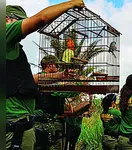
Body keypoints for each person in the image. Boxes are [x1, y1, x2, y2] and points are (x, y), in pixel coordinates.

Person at [6, 1, 85, 149]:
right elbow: (41, 18)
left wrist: (62, 75)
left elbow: (30, 80)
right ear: (7, 19)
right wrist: (72, 3)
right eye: (20, 21)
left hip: (20, 124)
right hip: (14, 125)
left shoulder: (13, 50)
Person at [34, 55, 78, 150]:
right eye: (57, 66)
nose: (58, 68)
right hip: (51, 124)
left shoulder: (36, 80)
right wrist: (80, 84)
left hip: (36, 124)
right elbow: (69, 93)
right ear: (49, 65)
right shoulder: (53, 82)